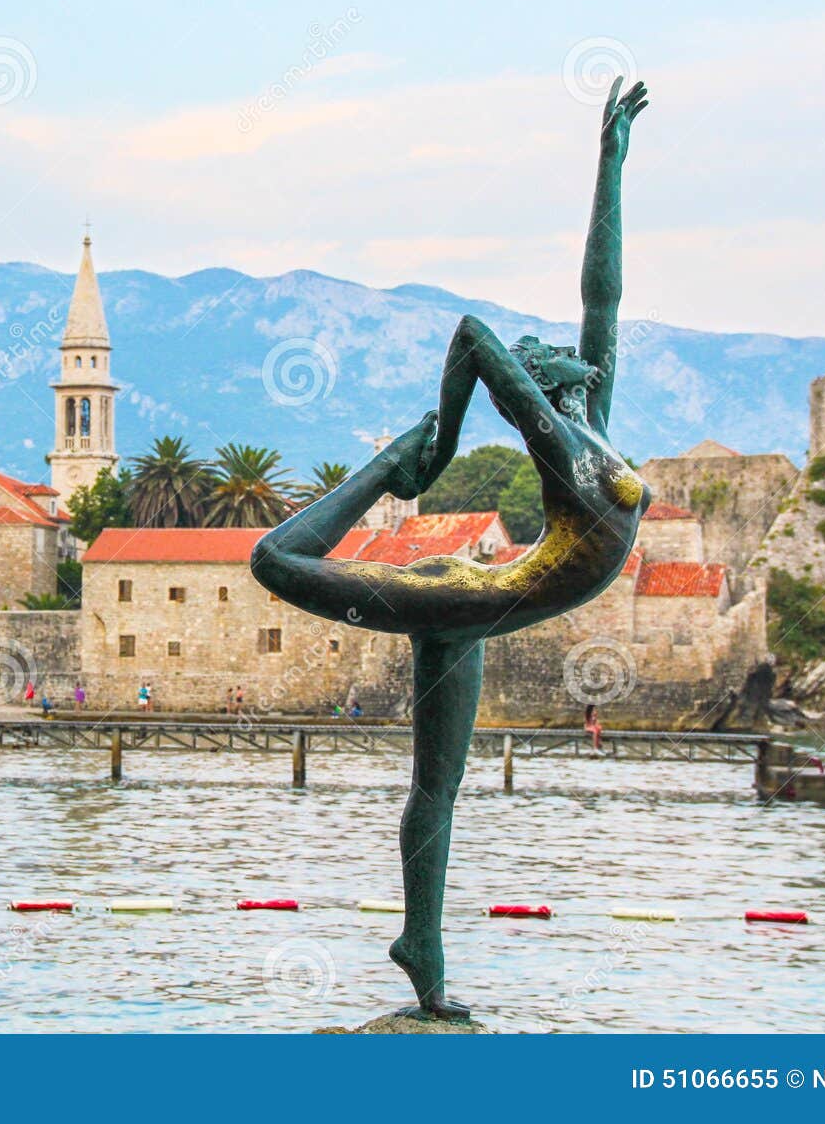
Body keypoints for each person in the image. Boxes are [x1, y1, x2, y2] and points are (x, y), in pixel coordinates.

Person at [251, 79, 651, 1022]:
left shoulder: (592, 423)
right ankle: (391, 463)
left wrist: (610, 165)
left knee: (439, 788)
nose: (567, 347)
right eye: (547, 353)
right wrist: (433, 447)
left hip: (476, 604)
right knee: (274, 563)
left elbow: (605, 291)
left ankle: (421, 948)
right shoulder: (558, 447)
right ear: (541, 389)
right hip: (455, 596)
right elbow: (472, 336)